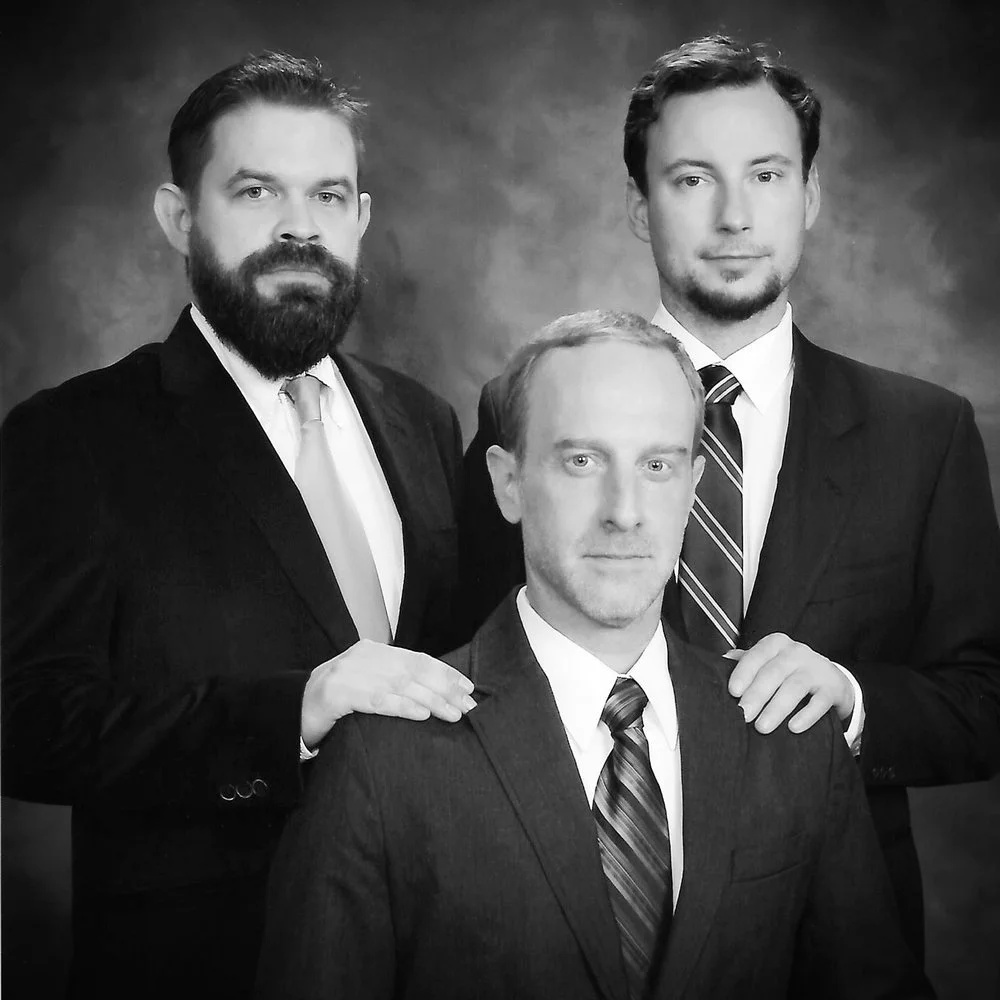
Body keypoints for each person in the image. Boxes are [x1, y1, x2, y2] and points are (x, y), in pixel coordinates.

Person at [456, 35, 1000, 956]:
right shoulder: (536, 410)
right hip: (569, 925)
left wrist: (852, 698)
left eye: (768, 175)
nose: (736, 215)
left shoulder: (925, 433)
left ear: (810, 196)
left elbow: (985, 699)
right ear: (640, 206)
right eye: (693, 179)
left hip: (833, 942)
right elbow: (479, 659)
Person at [256, 311, 932, 1000]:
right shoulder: (381, 754)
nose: (625, 510)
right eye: (582, 461)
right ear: (508, 483)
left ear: (695, 483)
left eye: (658, 465)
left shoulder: (789, 739)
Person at [0, 52, 476, 999]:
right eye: (256, 191)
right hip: (204, 961)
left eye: (330, 196)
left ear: (362, 219)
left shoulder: (424, 420)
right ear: (180, 218)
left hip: (431, 947)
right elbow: (25, 724)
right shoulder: (74, 437)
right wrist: (291, 711)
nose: (301, 228)